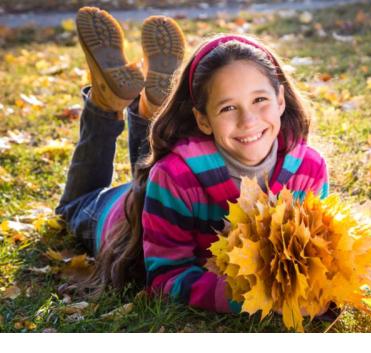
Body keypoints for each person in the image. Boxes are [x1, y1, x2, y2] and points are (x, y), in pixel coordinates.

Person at [56, 7, 330, 315]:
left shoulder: (309, 170)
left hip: (161, 194)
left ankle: (148, 107)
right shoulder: (173, 177)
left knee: (149, 176)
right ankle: (105, 104)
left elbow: (315, 255)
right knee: (72, 207)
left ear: (280, 100)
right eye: (228, 108)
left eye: (260, 100)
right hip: (118, 217)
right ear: (202, 119)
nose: (249, 120)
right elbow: (165, 276)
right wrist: (251, 296)